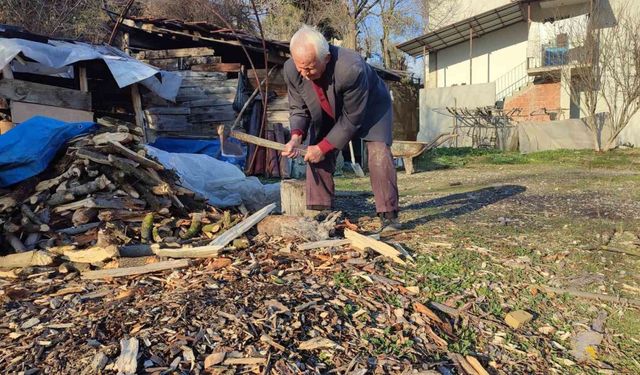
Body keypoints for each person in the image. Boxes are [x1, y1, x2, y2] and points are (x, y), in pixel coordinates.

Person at [281, 25, 400, 231]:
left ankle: (388, 213)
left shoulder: (351, 68)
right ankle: (321, 210)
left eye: (309, 67)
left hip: (372, 107)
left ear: (326, 58)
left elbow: (351, 119)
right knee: (315, 147)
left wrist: (324, 147)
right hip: (326, 107)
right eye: (300, 66)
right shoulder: (292, 70)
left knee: (378, 152)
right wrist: (296, 136)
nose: (304, 73)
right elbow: (298, 108)